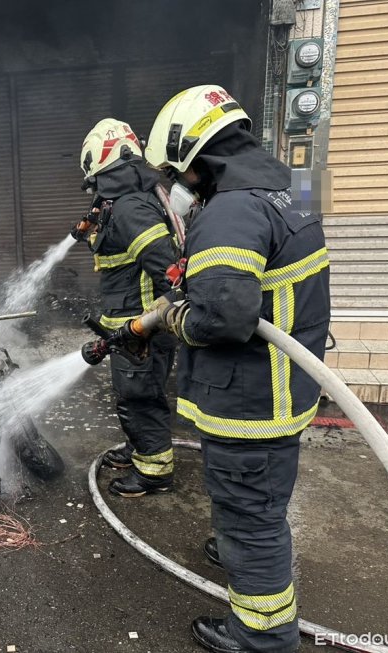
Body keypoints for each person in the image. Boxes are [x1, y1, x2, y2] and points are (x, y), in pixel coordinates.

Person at [125, 85, 330, 652]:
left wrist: (174, 319)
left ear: (195, 157)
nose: (177, 184)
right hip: (286, 389)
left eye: (175, 172)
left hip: (249, 403)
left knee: (250, 517)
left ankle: (262, 636)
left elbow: (222, 318)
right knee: (259, 502)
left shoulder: (231, 211)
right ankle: (241, 547)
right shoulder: (296, 186)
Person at [73, 118, 179, 497]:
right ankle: (140, 450)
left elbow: (169, 272)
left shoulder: (131, 208)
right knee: (133, 396)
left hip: (142, 332)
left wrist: (151, 325)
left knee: (140, 400)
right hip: (131, 330)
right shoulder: (127, 200)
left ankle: (153, 472)